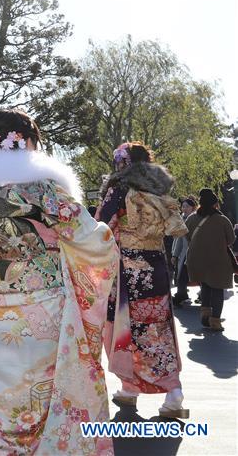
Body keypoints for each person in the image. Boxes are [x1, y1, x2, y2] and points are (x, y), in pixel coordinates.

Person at [0, 110, 118, 454]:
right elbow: (96, 242)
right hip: (43, 313)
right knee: (43, 403)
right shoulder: (46, 191)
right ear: (30, 143)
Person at [97, 141, 189, 418]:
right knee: (157, 330)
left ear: (122, 163)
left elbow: (102, 226)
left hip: (128, 270)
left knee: (124, 329)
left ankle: (135, 387)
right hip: (156, 267)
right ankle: (167, 392)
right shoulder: (158, 191)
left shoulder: (120, 189)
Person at [186, 188, 236, 332]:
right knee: (218, 289)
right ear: (215, 204)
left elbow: (187, 237)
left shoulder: (191, 218)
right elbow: (231, 240)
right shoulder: (222, 219)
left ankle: (205, 316)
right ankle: (215, 321)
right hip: (218, 260)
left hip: (197, 259)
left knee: (206, 286)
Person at [171, 197, 198, 307]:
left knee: (199, 276)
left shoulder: (196, 219)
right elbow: (178, 240)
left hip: (197, 253)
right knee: (182, 276)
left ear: (193, 207)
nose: (184, 208)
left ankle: (203, 295)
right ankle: (182, 295)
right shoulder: (180, 219)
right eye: (183, 206)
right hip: (184, 253)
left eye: (187, 206)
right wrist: (175, 254)